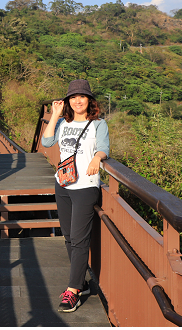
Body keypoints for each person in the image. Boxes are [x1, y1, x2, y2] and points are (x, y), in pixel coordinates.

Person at [42, 79, 109, 313]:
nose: (77, 100)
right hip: (62, 184)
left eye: (82, 96)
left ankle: (73, 290)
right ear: (68, 101)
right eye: (73, 97)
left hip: (85, 187)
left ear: (89, 100)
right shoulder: (63, 122)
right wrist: (55, 114)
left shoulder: (98, 124)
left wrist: (96, 158)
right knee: (69, 236)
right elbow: (47, 141)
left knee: (80, 240)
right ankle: (81, 283)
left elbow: (104, 147)